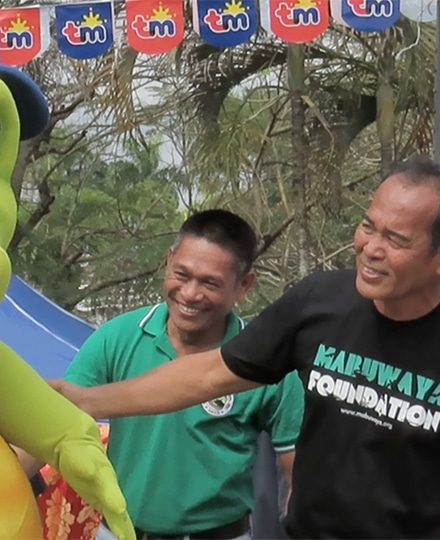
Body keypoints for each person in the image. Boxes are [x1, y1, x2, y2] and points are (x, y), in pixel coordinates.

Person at [50, 155, 440, 539]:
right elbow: (207, 374)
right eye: (368, 226)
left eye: (396, 240)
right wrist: (88, 401)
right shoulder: (319, 303)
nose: (370, 248)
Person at [47, 209, 304, 540]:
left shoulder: (265, 362)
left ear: (244, 285)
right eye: (182, 275)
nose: (191, 294)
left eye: (210, 283)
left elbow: (298, 475)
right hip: (119, 533)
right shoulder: (118, 336)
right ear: (168, 261)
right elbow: (56, 421)